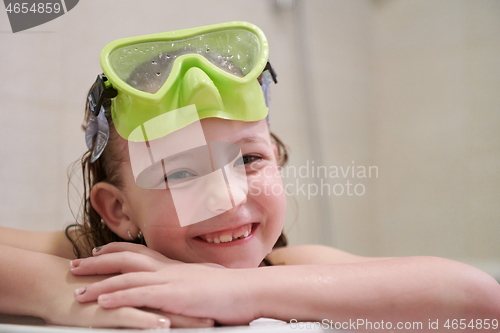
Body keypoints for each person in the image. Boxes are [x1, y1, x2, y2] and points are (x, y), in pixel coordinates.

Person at [0, 21, 499, 331]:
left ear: (277, 161)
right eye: (178, 172)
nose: (224, 198)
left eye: (249, 160)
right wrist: (62, 292)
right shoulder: (92, 257)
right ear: (119, 210)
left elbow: (481, 304)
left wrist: (237, 292)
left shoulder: (288, 268)